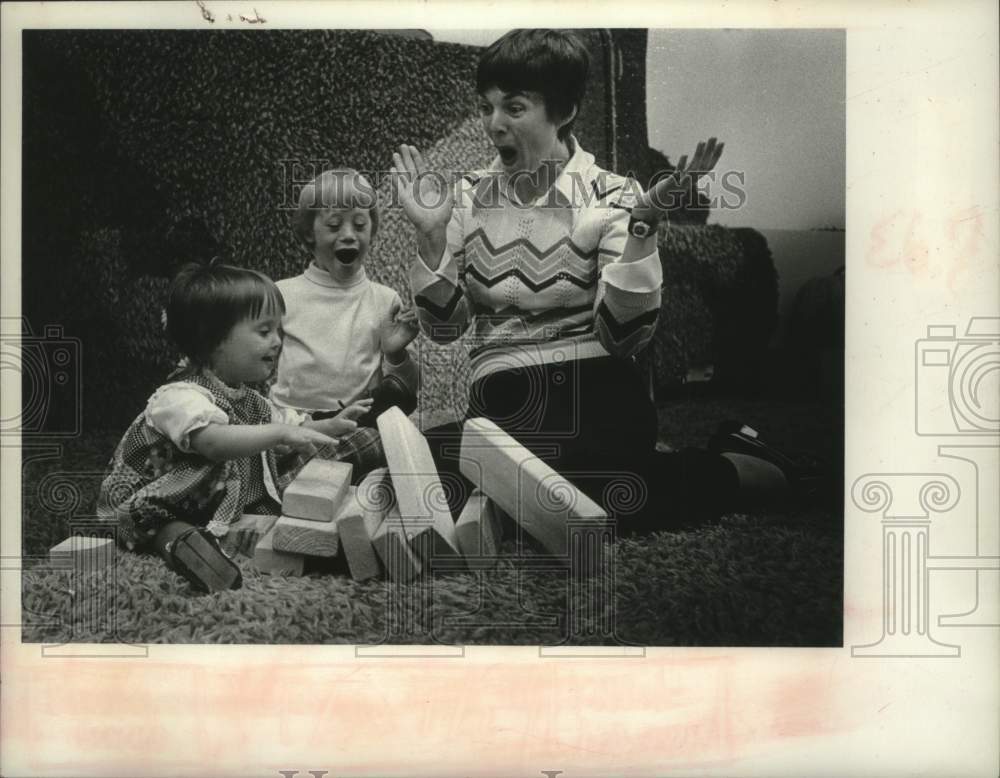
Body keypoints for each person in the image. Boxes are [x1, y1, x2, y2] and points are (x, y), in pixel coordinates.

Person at [392, 28, 800, 533]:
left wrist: (643, 229)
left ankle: (741, 473)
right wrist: (431, 238)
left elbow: (624, 337)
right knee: (537, 489)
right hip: (505, 397)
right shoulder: (466, 197)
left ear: (563, 112)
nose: (493, 124)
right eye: (487, 107)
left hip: (597, 391)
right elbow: (446, 331)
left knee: (506, 486)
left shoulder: (614, 195)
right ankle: (720, 463)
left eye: (513, 108)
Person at [97, 262, 370, 591]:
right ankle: (184, 547)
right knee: (161, 524)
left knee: (306, 456)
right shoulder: (179, 397)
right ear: (215, 340)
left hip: (214, 494)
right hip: (163, 500)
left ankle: (223, 534)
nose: (278, 341)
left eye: (279, 330)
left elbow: (292, 424)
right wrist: (281, 433)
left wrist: (331, 425)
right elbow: (214, 442)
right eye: (264, 331)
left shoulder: (250, 399)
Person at [270, 168, 421, 478]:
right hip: (293, 428)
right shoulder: (281, 294)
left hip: (355, 429)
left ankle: (296, 480)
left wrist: (395, 354)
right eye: (335, 224)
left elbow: (407, 392)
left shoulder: (384, 299)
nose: (349, 234)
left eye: (360, 224)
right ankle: (290, 476)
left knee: (383, 439)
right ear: (310, 232)